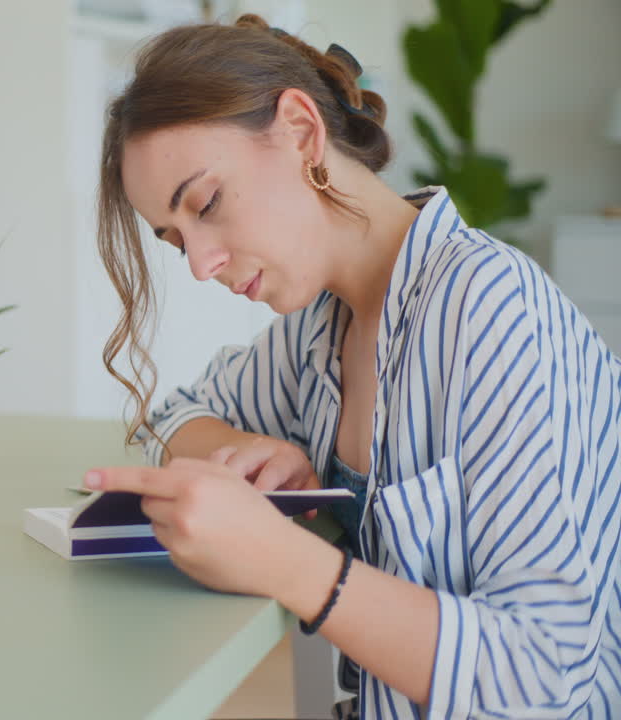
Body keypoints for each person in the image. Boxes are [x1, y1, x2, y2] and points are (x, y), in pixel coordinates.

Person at [83, 13, 621, 719]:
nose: (200, 264)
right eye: (176, 239)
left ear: (302, 132)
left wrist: (282, 558)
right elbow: (171, 416)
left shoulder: (490, 309)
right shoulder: (319, 330)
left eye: (207, 202)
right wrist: (243, 450)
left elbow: (544, 677)